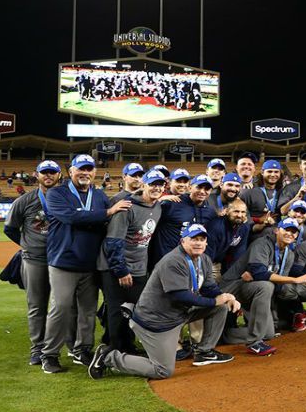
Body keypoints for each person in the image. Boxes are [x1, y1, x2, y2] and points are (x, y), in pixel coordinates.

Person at [87, 224, 239, 380]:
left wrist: (226, 297)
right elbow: (180, 296)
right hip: (157, 322)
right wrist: (215, 301)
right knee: (163, 370)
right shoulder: (173, 261)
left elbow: (209, 288)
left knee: (221, 306)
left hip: (178, 314)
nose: (198, 243)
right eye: (193, 239)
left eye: (202, 239)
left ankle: (204, 352)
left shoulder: (204, 260)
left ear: (206, 243)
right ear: (183, 241)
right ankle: (108, 357)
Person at [42, 155, 132, 373]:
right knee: (60, 308)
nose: (85, 173)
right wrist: (106, 212)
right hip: (63, 262)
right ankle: (49, 354)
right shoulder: (57, 193)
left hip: (90, 264)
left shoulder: (99, 195)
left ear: (94, 172)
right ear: (71, 171)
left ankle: (82, 349)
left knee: (88, 311)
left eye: (89, 169)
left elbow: (110, 221)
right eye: (80, 169)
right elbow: (70, 217)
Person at [97, 170, 165, 355]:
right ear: (144, 184)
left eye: (160, 184)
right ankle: (115, 351)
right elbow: (113, 242)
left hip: (139, 267)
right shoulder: (126, 207)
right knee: (117, 309)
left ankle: (127, 345)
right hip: (115, 267)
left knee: (136, 307)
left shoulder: (158, 206)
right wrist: (121, 270)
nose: (156, 188)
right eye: (152, 184)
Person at [220, 218, 306, 356]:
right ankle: (254, 342)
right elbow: (259, 271)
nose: (290, 234)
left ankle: (225, 335)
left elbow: (277, 285)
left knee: (268, 333)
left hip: (253, 289)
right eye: (286, 230)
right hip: (232, 286)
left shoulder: (289, 255)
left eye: (293, 232)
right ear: (276, 230)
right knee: (266, 285)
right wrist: (294, 280)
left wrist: (262, 276)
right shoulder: (262, 243)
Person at [3, 160, 63, 365]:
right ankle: (37, 349)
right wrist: (26, 244)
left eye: (52, 172)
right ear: (36, 175)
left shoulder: (66, 199)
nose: (48, 176)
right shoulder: (25, 201)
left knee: (63, 306)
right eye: (44, 172)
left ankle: (64, 347)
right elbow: (9, 228)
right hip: (34, 260)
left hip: (61, 260)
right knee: (37, 306)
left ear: (59, 175)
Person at [151, 174, 218, 267]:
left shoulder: (210, 212)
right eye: (199, 187)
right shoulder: (172, 203)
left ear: (210, 191)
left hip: (190, 262)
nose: (202, 191)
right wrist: (159, 200)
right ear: (190, 187)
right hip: (165, 260)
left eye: (207, 189)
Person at [241, 159, 284, 240]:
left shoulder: (283, 192)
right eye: (270, 171)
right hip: (255, 235)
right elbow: (243, 215)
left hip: (277, 235)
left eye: (276, 172)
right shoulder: (250, 193)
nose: (273, 174)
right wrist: (259, 221)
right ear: (262, 172)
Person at [279, 151, 306, 228]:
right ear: (300, 167)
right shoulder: (291, 187)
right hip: (296, 229)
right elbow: (283, 211)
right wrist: (297, 197)